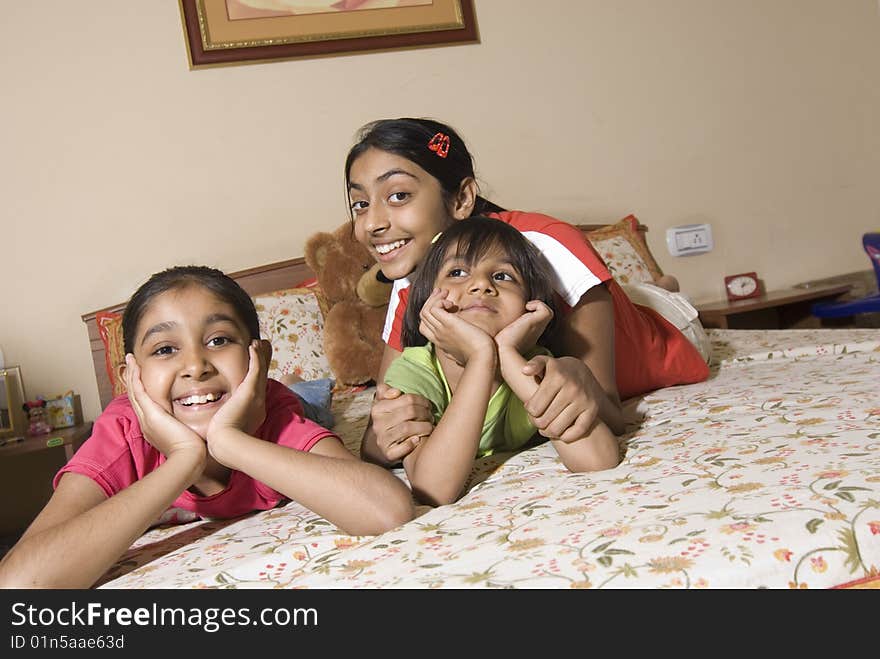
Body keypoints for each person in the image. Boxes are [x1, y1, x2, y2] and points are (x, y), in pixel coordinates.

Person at [0, 266, 413, 588]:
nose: (196, 366)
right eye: (165, 349)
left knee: (313, 403)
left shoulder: (273, 414)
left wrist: (230, 442)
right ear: (132, 378)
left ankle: (306, 389)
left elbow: (387, 510)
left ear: (259, 359)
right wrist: (184, 459)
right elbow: (18, 584)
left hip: (277, 397)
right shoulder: (122, 432)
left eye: (219, 340)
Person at [344, 117, 710, 466]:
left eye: (398, 195)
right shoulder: (413, 273)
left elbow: (612, 415)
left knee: (661, 300)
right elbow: (382, 425)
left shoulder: (545, 245)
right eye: (361, 203)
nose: (372, 223)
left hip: (667, 334)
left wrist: (579, 374)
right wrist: (388, 432)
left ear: (461, 199)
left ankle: (663, 290)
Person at [385, 217, 620, 505]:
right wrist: (482, 356)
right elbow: (433, 488)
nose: (481, 284)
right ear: (426, 303)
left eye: (503, 276)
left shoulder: (534, 366)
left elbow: (598, 459)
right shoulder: (414, 373)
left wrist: (505, 353)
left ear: (528, 305)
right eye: (457, 272)